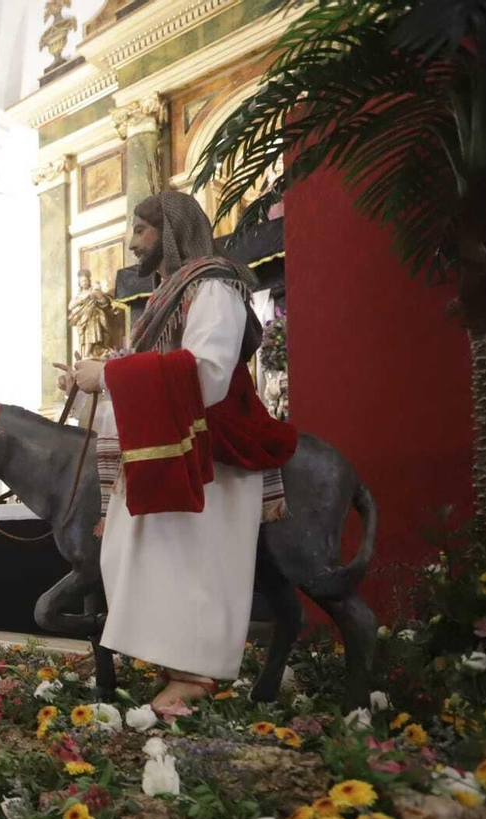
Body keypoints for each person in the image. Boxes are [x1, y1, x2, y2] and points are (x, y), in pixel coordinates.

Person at [60, 191, 296, 709]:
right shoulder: (173, 294)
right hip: (174, 440)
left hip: (211, 451)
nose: (130, 242)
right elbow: (156, 371)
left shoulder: (211, 285)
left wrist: (112, 374)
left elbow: (207, 373)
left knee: (189, 564)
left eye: (140, 231)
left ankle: (193, 677)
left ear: (169, 230)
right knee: (130, 549)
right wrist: (96, 382)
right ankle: (174, 666)